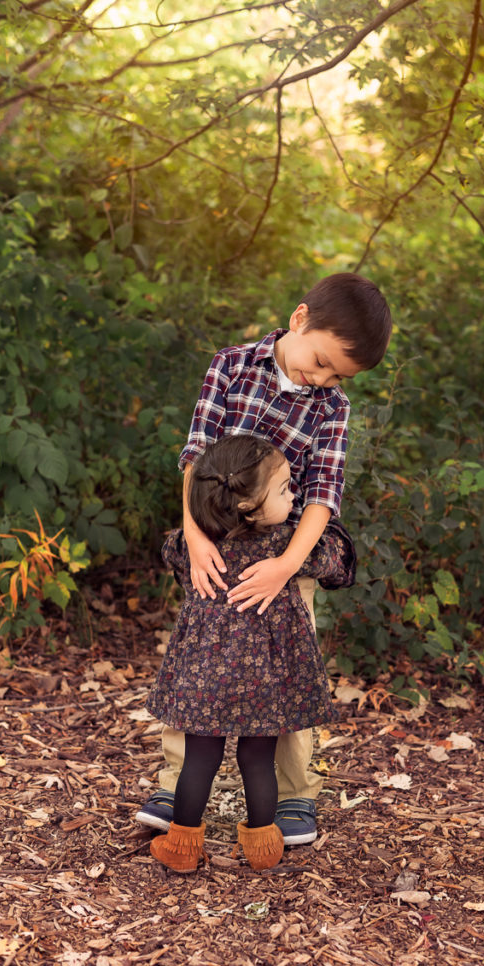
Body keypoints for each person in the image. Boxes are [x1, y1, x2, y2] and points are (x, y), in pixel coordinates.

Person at [136, 272, 392, 844]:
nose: (321, 377)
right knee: (198, 663)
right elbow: (196, 454)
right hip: (217, 548)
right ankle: (176, 783)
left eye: (337, 375)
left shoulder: (332, 407)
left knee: (291, 670)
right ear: (300, 319)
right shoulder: (231, 366)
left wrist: (287, 566)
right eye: (321, 360)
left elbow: (324, 493)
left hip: (285, 553)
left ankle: (295, 794)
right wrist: (194, 535)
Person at [147, 435, 356, 872]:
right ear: (248, 507)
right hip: (266, 683)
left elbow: (169, 550)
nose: (294, 495)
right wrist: (327, 538)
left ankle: (183, 846)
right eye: (284, 490)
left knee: (199, 760)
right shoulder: (286, 548)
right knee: (257, 759)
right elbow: (335, 563)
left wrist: (192, 535)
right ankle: (263, 847)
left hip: (205, 680)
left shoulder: (194, 549)